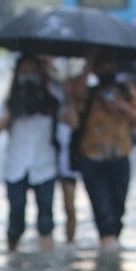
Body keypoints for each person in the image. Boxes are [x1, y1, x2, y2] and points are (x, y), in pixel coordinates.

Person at [72, 51, 136, 249]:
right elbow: (74, 94)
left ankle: (111, 262)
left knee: (117, 213)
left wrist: (121, 106)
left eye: (110, 63)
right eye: (101, 64)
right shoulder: (89, 92)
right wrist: (88, 62)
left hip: (120, 157)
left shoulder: (127, 90)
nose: (106, 68)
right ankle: (108, 258)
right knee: (102, 213)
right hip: (92, 159)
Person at [0, 54, 62, 251]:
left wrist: (54, 84)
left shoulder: (52, 98)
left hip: (44, 165)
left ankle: (47, 262)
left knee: (46, 220)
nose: (29, 76)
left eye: (33, 72)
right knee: (16, 218)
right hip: (16, 166)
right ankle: (12, 256)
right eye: (25, 72)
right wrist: (13, 110)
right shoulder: (9, 101)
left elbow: (71, 121)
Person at [48, 57, 84, 241]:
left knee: (69, 206)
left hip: (71, 157)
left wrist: (70, 97)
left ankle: (70, 242)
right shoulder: (48, 94)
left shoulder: (77, 99)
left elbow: (74, 123)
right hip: (49, 156)